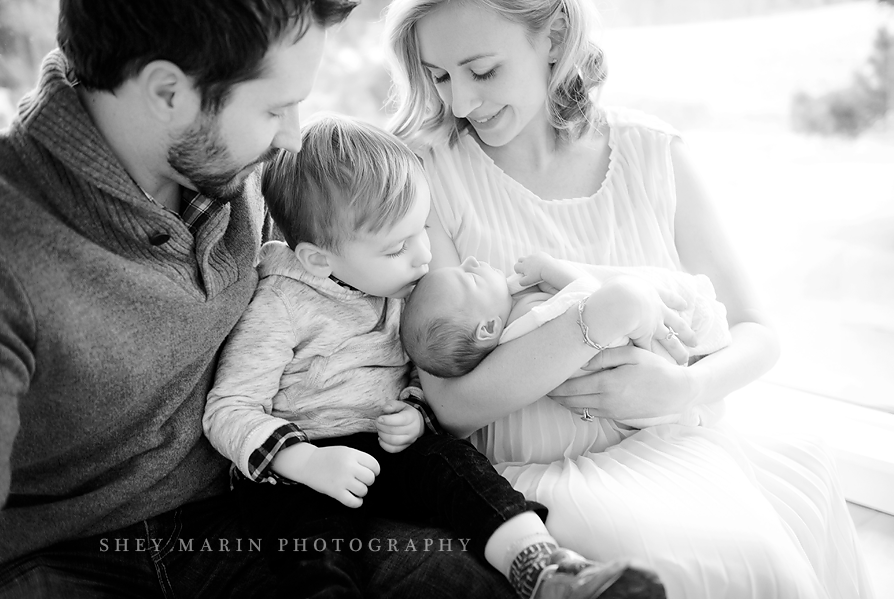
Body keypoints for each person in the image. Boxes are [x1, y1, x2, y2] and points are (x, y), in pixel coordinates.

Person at [0, 2, 523, 598]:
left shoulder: (242, 172)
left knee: (460, 584)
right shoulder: (9, 243)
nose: (292, 136)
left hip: (249, 516)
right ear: (169, 93)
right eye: (276, 108)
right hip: (57, 558)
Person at [382, 0, 876, 597]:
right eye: (439, 76)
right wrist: (595, 319)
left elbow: (758, 332)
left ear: (556, 36)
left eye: (482, 71)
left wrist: (682, 388)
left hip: (677, 446)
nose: (460, 102)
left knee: (770, 549)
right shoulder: (429, 172)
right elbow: (452, 408)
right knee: (692, 567)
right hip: (537, 481)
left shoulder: (652, 153)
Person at [204, 113, 666, 599]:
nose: (424, 255)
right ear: (320, 259)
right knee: (308, 550)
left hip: (387, 450)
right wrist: (304, 461)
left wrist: (414, 414)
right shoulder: (281, 304)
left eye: (422, 228)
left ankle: (544, 568)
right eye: (398, 246)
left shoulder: (403, 290)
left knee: (458, 471)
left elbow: (432, 377)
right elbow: (228, 410)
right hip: (301, 471)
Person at [400, 251, 731, 429]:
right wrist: (551, 269)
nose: (471, 260)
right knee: (697, 320)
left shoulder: (505, 341)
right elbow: (593, 299)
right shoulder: (529, 314)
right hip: (644, 362)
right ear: (487, 328)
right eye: (469, 276)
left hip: (649, 388)